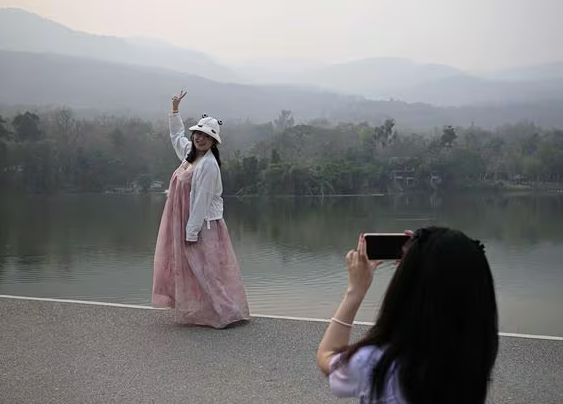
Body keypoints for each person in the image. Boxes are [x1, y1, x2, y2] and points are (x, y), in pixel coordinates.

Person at [316, 227, 498, 404]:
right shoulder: (473, 357)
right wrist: (425, 260)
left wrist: (356, 290)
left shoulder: (377, 363)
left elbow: (327, 356)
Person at [152, 90, 250, 329]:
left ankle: (226, 312)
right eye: (198, 134)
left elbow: (202, 202)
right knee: (193, 269)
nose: (200, 139)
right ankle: (204, 311)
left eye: (206, 136)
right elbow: (176, 136)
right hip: (185, 221)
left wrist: (191, 232)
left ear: (213, 141)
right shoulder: (190, 157)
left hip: (203, 225)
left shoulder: (208, 165)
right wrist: (175, 110)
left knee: (208, 270)